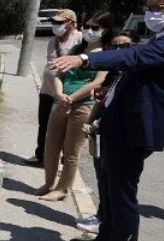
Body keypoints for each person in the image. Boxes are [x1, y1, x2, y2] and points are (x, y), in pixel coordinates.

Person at [50, 0, 164, 241]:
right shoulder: (163, 35)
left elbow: (132, 58)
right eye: (148, 7)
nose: (149, 13)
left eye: (156, 8)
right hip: (119, 122)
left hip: (136, 129)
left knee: (122, 193)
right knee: (108, 188)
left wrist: (84, 58)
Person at [38, 13, 113, 201]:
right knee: (51, 145)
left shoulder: (105, 55)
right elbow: (59, 74)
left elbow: (98, 82)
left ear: (105, 31)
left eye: (95, 28)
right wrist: (59, 94)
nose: (89, 31)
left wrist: (70, 98)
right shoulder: (77, 49)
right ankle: (48, 183)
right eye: (87, 26)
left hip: (82, 106)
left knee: (71, 150)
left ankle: (62, 189)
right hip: (61, 102)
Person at [75, 30, 138, 234]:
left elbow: (126, 109)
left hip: (115, 135)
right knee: (102, 177)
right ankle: (102, 217)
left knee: (113, 184)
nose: (119, 51)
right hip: (100, 132)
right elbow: (103, 102)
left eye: (125, 47)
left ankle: (107, 224)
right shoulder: (113, 73)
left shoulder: (134, 76)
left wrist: (99, 123)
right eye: (115, 47)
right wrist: (92, 121)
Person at [26, 10, 81, 167]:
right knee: (44, 124)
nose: (55, 26)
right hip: (47, 90)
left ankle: (64, 161)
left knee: (65, 127)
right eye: (55, 22)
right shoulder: (53, 41)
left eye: (59, 22)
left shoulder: (79, 40)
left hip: (66, 93)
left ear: (70, 23)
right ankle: (41, 156)